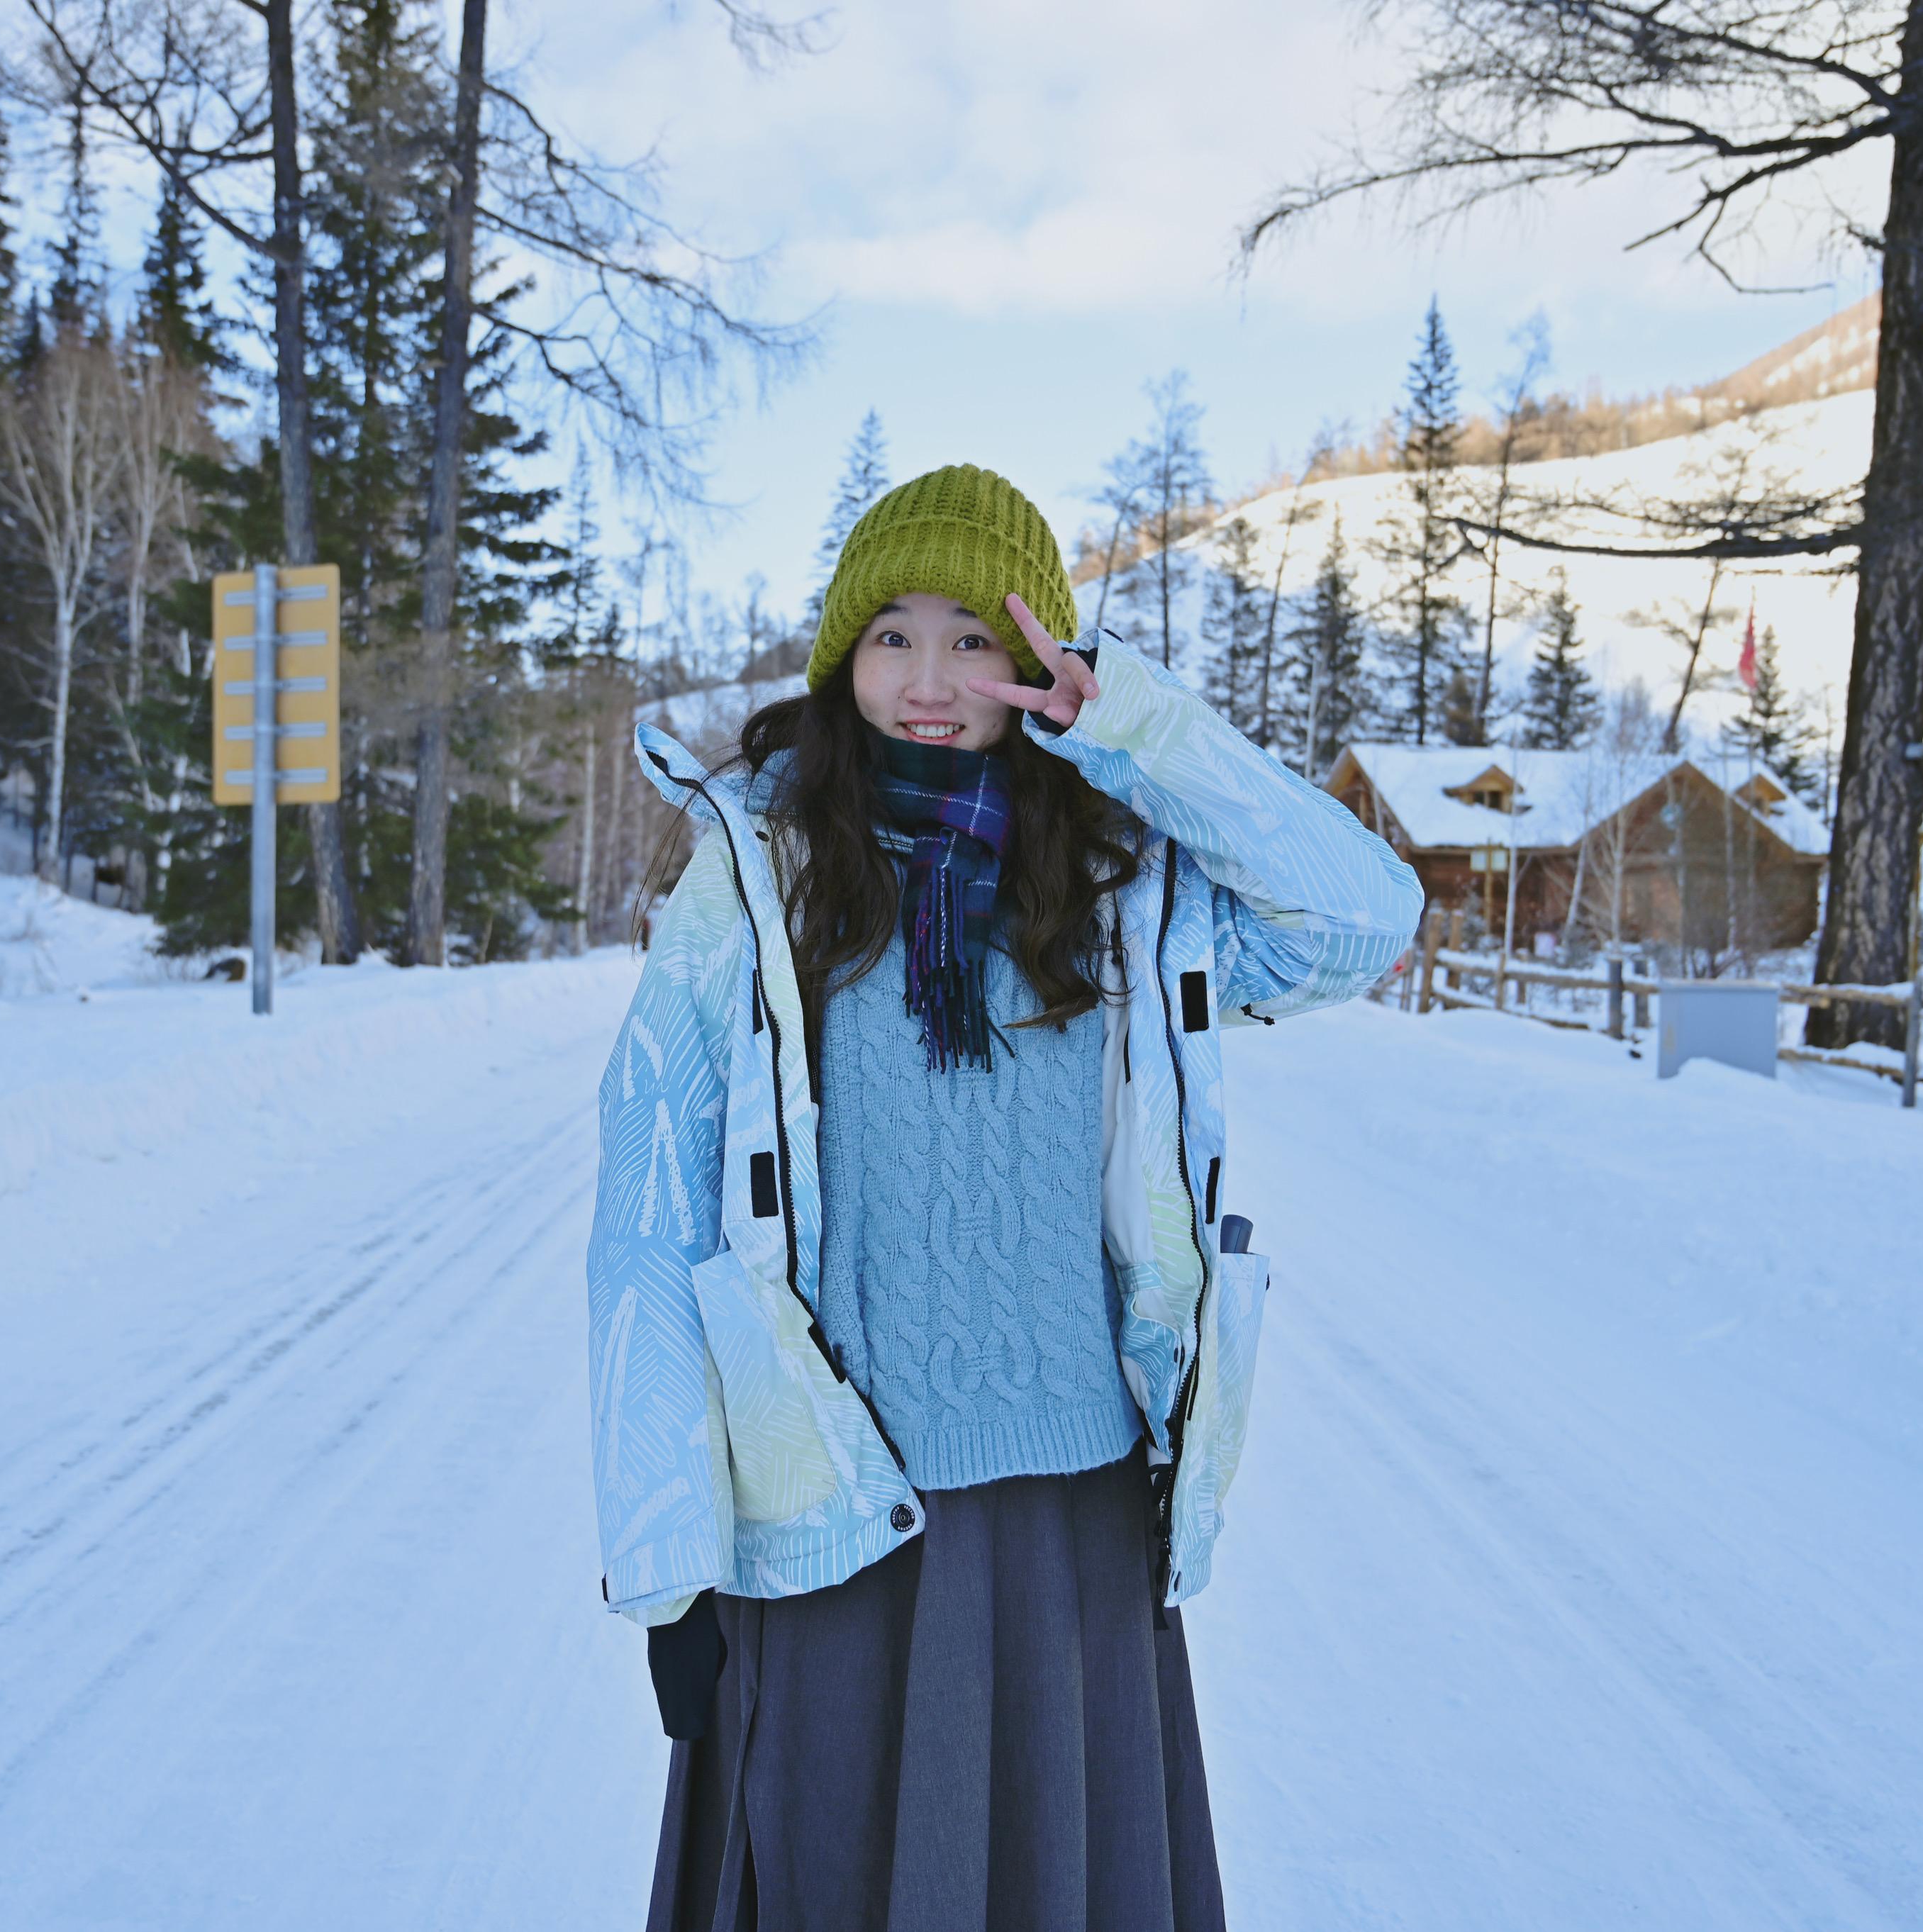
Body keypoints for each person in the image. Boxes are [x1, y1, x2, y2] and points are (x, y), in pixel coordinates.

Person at [586, 464, 1425, 1931]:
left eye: (974, 638)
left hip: (1069, 1512)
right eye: (892, 635)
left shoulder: (1124, 877)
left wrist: (1138, 728)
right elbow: (649, 1208)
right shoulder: (761, 873)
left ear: (1039, 660)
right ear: (842, 654)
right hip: (836, 1509)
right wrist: (667, 1560)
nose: (927, 679)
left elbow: (1361, 916)